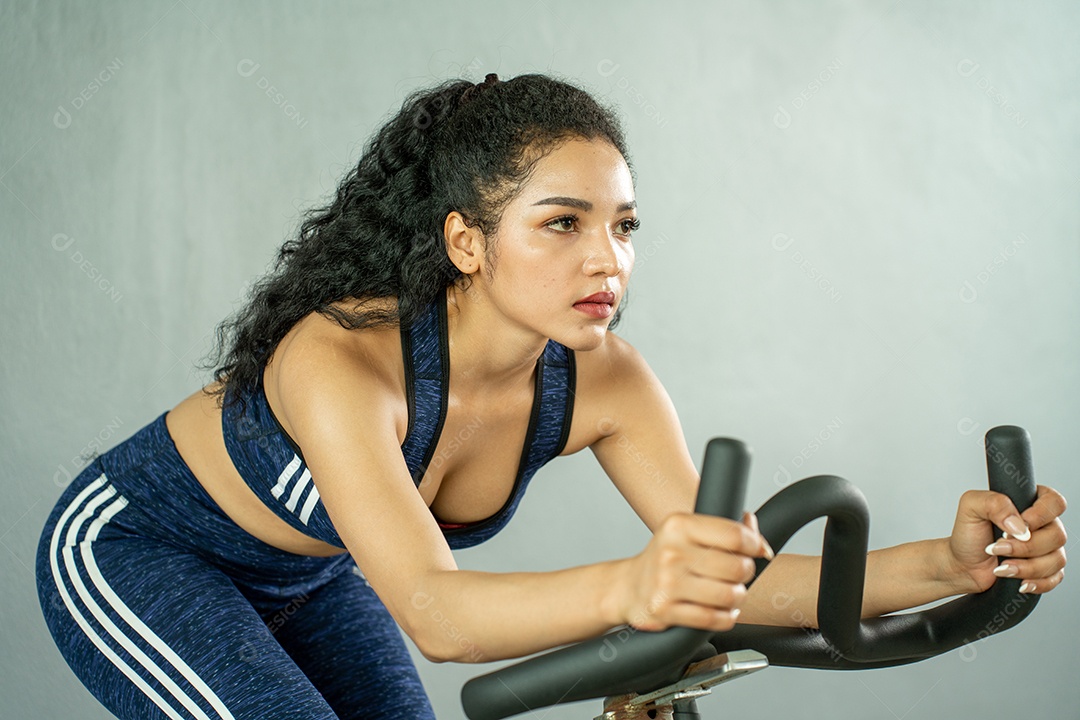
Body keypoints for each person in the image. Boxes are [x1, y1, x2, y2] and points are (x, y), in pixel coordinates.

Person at [35, 72, 1068, 720]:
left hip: (309, 579)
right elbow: (437, 615)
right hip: (141, 551)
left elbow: (732, 584)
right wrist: (631, 590)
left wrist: (947, 563)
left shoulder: (604, 379)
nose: (606, 258)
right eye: (563, 223)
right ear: (466, 241)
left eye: (623, 225)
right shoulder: (340, 358)